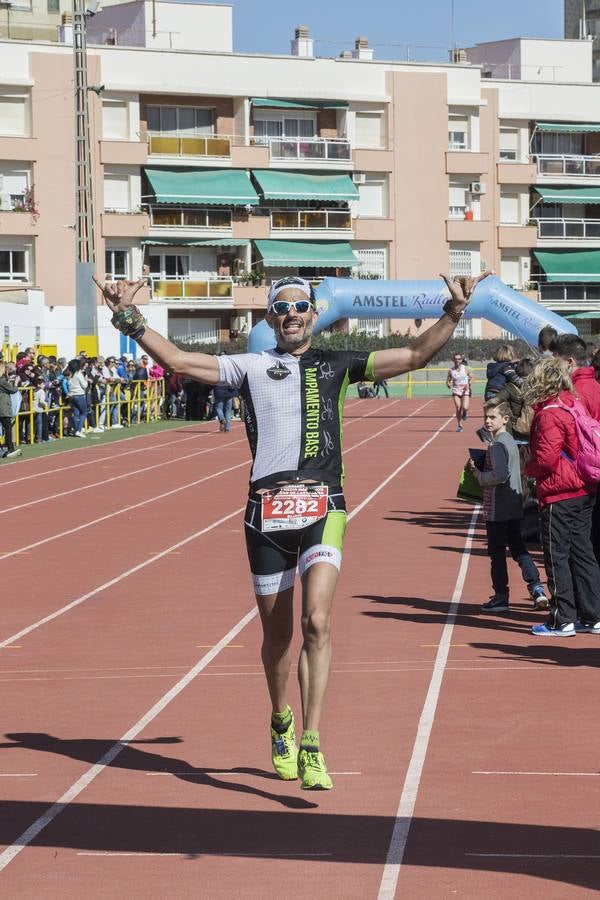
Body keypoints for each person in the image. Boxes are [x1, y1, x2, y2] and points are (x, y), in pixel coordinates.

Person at [93, 267, 489, 790]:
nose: (291, 315)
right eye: (281, 308)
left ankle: (312, 742)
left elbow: (414, 356)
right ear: (269, 318)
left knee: (317, 623)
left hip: (325, 506)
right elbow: (180, 360)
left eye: (300, 307)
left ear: (315, 315)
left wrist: (454, 312)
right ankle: (280, 718)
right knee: (277, 636)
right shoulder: (250, 366)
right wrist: (128, 317)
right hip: (266, 513)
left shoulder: (339, 364)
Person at [524, 357, 600, 636]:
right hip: (583, 487)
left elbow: (546, 459)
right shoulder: (572, 404)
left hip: (560, 491)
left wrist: (527, 468)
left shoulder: (549, 413)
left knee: (557, 554)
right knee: (583, 552)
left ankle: (562, 618)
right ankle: (592, 615)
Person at [468, 398, 547, 613]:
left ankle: (501, 596)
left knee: (496, 553)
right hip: (514, 505)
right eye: (485, 417)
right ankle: (537, 588)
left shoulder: (497, 445)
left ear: (505, 419)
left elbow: (500, 475)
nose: (487, 421)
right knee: (519, 548)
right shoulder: (511, 442)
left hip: (497, 509)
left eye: (492, 417)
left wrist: (479, 475)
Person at [550, 333, 600, 419]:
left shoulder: (573, 394)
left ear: (569, 362)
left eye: (555, 361)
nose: (551, 365)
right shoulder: (594, 384)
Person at [0, 362, 23, 458]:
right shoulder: (2, 381)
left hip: (3, 407)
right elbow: (13, 390)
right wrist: (16, 383)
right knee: (8, 428)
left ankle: (4, 448)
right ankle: (10, 448)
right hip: (3, 407)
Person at [446, 352, 472, 432]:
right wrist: (448, 384)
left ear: (461, 360)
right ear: (453, 360)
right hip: (456, 390)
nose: (457, 360)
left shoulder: (466, 368)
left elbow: (473, 377)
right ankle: (460, 425)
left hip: (465, 390)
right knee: (458, 407)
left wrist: (468, 383)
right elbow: (448, 380)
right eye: (455, 359)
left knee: (465, 407)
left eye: (459, 359)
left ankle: (465, 413)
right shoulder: (451, 370)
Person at [66, 358, 89, 438]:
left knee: (76, 413)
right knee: (84, 412)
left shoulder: (70, 374)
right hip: (79, 395)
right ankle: (79, 430)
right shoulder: (79, 374)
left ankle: (76, 429)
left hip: (72, 395)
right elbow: (85, 385)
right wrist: (86, 380)